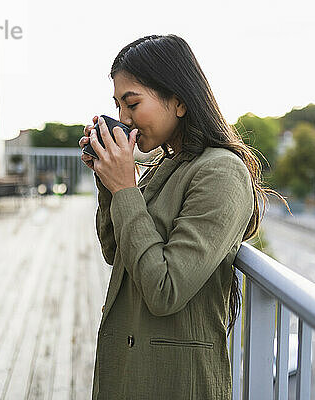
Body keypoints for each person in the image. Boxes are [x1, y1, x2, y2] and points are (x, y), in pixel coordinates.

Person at [79, 34, 289, 400]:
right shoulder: (167, 165)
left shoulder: (221, 172)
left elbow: (165, 290)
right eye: (117, 105)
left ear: (178, 101)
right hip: (130, 372)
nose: (123, 118)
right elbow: (117, 252)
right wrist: (107, 180)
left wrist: (126, 188)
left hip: (174, 383)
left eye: (132, 104)